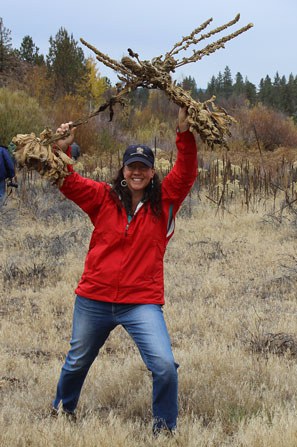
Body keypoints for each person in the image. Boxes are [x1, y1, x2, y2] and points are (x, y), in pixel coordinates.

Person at [52, 107, 198, 436]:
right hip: (94, 297)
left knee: (164, 366)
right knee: (76, 361)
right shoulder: (103, 197)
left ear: (151, 172)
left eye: (143, 168)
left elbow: (186, 172)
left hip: (140, 302)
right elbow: (67, 181)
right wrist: (61, 149)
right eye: (131, 166)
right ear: (123, 169)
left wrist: (184, 133)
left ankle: (164, 431)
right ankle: (63, 410)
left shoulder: (166, 202)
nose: (136, 172)